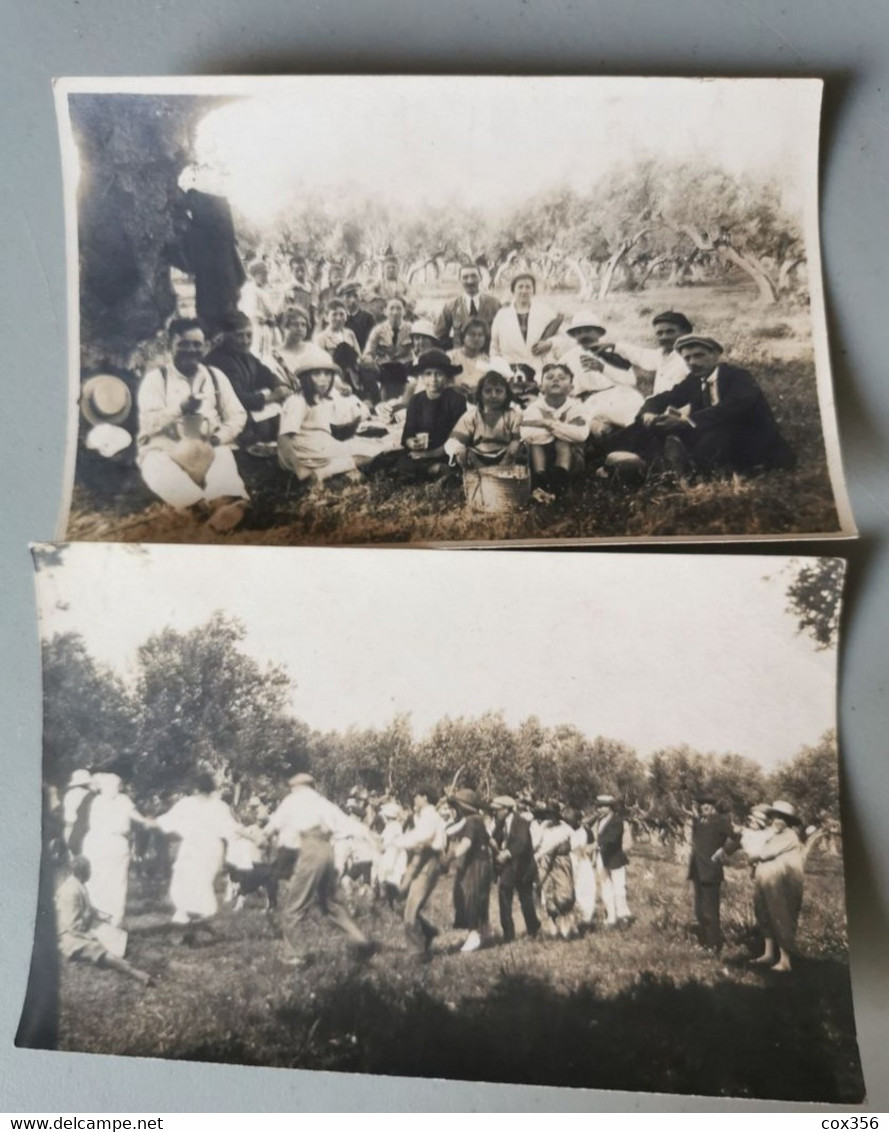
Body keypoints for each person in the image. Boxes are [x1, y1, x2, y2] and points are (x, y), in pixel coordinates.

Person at [617, 335, 796, 478]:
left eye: (699, 355)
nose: (693, 362)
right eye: (687, 358)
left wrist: (685, 422)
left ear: (716, 355)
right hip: (710, 430)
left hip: (750, 436)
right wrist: (649, 413)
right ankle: (618, 456)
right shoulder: (694, 380)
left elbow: (731, 409)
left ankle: (681, 467)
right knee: (654, 424)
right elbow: (665, 398)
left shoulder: (738, 376)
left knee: (715, 435)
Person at [137, 318, 249, 531]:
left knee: (223, 456)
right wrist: (181, 408)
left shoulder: (215, 377)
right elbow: (149, 423)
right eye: (183, 344)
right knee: (154, 465)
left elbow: (237, 415)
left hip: (206, 448)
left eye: (197, 344)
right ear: (170, 346)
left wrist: (218, 438)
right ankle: (195, 507)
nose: (191, 350)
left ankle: (226, 504)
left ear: (205, 346)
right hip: (167, 450)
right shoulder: (156, 379)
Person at [263, 773, 376, 965]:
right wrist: (373, 841)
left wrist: (260, 837)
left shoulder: (291, 800)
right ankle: (360, 939)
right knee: (329, 903)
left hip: (309, 850)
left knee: (293, 907)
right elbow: (351, 825)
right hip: (327, 851)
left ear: (296, 786)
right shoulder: (323, 802)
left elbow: (270, 829)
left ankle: (296, 955)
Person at [277, 344, 386, 485]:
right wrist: (299, 468)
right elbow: (284, 439)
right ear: (305, 378)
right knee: (368, 454)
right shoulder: (298, 401)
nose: (323, 379)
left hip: (319, 445)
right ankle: (321, 474)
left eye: (327, 374)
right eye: (316, 374)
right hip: (305, 452)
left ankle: (335, 471)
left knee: (372, 445)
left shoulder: (322, 398)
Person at [155, 771, 240, 941]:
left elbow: (166, 822)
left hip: (194, 848)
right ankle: (190, 924)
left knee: (186, 884)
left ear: (194, 787)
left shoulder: (187, 804)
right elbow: (232, 830)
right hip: (211, 849)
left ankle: (189, 923)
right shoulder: (220, 806)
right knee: (199, 884)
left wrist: (148, 821)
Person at [55, 856, 153, 985]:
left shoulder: (78, 885)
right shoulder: (70, 891)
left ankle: (134, 957)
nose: (90, 873)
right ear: (82, 872)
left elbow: (88, 909)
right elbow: (71, 925)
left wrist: (102, 916)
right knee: (99, 950)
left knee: (116, 935)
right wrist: (92, 932)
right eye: (88, 870)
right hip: (70, 937)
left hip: (82, 928)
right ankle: (134, 972)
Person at [203, 311, 290, 446]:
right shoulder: (219, 360)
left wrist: (279, 385)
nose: (245, 341)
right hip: (226, 417)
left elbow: (266, 374)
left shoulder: (245, 355)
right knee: (267, 429)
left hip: (249, 411)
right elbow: (239, 398)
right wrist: (273, 396)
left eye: (249, 335)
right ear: (225, 335)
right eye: (239, 335)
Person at [81, 771, 153, 929]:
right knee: (113, 880)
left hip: (99, 843)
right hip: (110, 843)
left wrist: (146, 821)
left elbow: (134, 816)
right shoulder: (120, 800)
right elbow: (136, 817)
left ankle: (103, 916)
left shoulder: (99, 801)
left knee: (102, 879)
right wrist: (148, 821)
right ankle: (111, 917)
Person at [557, 312, 643, 435]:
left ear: (598, 333)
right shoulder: (569, 356)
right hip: (589, 400)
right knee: (595, 428)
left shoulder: (612, 352)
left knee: (635, 416)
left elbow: (631, 380)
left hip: (618, 395)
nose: (583, 335)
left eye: (588, 330)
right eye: (579, 332)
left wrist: (603, 368)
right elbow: (552, 375)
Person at [747, 800, 806, 972]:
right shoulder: (772, 835)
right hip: (767, 881)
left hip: (782, 883)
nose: (777, 821)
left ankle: (785, 960)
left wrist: (753, 856)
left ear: (788, 821)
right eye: (775, 817)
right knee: (764, 915)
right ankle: (769, 954)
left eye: (782, 818)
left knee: (781, 916)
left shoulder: (789, 836)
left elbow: (763, 854)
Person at [520, 362, 589, 502]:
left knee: (562, 442)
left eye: (562, 378)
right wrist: (565, 427)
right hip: (539, 456)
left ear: (571, 388)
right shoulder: (534, 408)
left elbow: (581, 435)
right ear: (540, 387)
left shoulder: (577, 407)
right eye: (549, 377)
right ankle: (540, 484)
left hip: (572, 458)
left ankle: (560, 486)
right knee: (536, 445)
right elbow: (527, 434)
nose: (555, 380)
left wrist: (546, 424)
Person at [395, 350, 467, 482]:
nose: (433, 379)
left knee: (456, 457)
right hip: (419, 453)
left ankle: (439, 470)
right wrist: (410, 442)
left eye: (438, 374)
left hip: (444, 451)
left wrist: (429, 455)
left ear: (447, 377)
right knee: (394, 460)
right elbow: (408, 431)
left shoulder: (456, 400)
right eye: (428, 374)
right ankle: (432, 471)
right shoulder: (416, 400)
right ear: (422, 377)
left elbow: (457, 437)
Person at [397, 784, 448, 957]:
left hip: (429, 860)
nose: (414, 799)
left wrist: (396, 842)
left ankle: (418, 952)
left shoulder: (430, 816)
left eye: (417, 796)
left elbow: (422, 837)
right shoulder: (427, 816)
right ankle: (427, 933)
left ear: (425, 797)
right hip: (426, 860)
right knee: (407, 905)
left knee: (410, 910)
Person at [687, 795, 741, 952]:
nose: (704, 806)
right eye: (702, 804)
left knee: (710, 910)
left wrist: (724, 850)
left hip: (711, 870)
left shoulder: (721, 821)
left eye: (708, 804)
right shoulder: (698, 821)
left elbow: (737, 838)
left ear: (713, 806)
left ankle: (714, 945)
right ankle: (704, 942)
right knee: (699, 910)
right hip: (697, 870)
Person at [444, 368, 524, 469]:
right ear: (480, 394)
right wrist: (459, 448)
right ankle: (482, 475)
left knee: (517, 448)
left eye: (499, 391)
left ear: (506, 395)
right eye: (488, 391)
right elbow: (453, 440)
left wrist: (516, 442)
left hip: (505, 458)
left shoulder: (513, 415)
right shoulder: (472, 416)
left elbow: (521, 437)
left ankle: (500, 475)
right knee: (465, 452)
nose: (493, 395)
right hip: (478, 459)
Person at [448, 789, 494, 953]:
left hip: (474, 865)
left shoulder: (471, 822)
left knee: (470, 897)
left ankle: (474, 934)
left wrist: (449, 857)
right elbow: (491, 841)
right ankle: (485, 930)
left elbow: (466, 844)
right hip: (483, 863)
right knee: (480, 897)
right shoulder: (477, 820)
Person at [490, 795, 541, 943]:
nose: (495, 813)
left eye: (497, 810)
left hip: (523, 867)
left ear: (506, 809)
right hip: (508, 868)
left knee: (526, 900)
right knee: (504, 898)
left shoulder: (521, 822)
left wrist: (507, 853)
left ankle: (533, 929)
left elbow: (522, 843)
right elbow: (496, 839)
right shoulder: (500, 823)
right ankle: (508, 935)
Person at [489, 273, 561, 377]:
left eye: (528, 287)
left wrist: (550, 343)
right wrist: (499, 367)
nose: (524, 291)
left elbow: (562, 338)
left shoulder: (545, 312)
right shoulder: (502, 315)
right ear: (513, 290)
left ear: (533, 290)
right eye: (520, 287)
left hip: (539, 369)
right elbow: (494, 346)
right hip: (510, 371)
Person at [613, 310, 693, 396]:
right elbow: (641, 355)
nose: (664, 337)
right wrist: (615, 346)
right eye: (659, 333)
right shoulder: (662, 354)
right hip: (658, 406)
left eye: (670, 332)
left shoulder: (691, 358)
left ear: (685, 332)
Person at [534, 802, 577, 940]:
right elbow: (537, 843)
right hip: (545, 862)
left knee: (564, 894)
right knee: (548, 894)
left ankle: (568, 927)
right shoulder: (544, 827)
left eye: (552, 815)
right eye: (547, 815)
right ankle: (552, 926)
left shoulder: (565, 829)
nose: (549, 818)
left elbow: (570, 845)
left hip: (561, 861)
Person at [435, 263, 501, 349]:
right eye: (465, 277)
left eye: (474, 276)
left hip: (488, 356)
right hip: (461, 358)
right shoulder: (451, 306)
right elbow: (439, 335)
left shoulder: (495, 304)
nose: (470, 281)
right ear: (459, 280)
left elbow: (503, 334)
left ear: (480, 278)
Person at [592, 795, 632, 928]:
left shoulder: (617, 821)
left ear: (609, 808)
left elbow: (611, 839)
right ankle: (611, 916)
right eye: (599, 806)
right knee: (605, 887)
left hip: (615, 858)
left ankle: (622, 916)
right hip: (602, 857)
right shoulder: (599, 821)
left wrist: (596, 844)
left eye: (602, 806)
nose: (599, 809)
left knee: (619, 888)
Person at [239, 260, 283, 358]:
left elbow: (271, 309)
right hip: (257, 327)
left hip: (268, 328)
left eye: (266, 273)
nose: (265, 276)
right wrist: (267, 320)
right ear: (254, 275)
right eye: (262, 274)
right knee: (258, 352)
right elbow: (251, 312)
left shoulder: (263, 289)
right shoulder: (250, 289)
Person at [268, 306, 315, 390]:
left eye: (303, 325)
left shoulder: (312, 348)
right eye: (295, 324)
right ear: (284, 327)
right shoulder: (274, 355)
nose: (300, 329)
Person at [566, 809, 597, 932]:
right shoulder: (567, 831)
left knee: (585, 891)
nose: (569, 823)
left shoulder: (585, 831)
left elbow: (593, 846)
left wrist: (587, 853)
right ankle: (576, 921)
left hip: (583, 864)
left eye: (571, 821)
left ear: (579, 821)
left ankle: (586, 921)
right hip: (571, 863)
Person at [448, 319, 493, 400]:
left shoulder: (487, 361)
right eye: (472, 334)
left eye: (480, 335)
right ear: (463, 336)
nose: (476, 338)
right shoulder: (451, 356)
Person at [362, 298, 414, 368]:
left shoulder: (411, 329)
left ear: (404, 311)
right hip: (383, 368)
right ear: (385, 311)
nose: (395, 312)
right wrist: (370, 362)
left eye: (399, 309)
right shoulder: (378, 330)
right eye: (391, 308)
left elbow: (419, 349)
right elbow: (368, 353)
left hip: (406, 367)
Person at [62, 769, 95, 855]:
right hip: (86, 832)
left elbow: (69, 820)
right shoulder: (91, 795)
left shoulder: (69, 795)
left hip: (72, 831)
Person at [340, 282, 376, 352]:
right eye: (348, 297)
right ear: (342, 299)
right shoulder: (338, 318)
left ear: (360, 298)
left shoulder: (368, 318)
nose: (352, 300)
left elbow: (373, 341)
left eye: (355, 296)